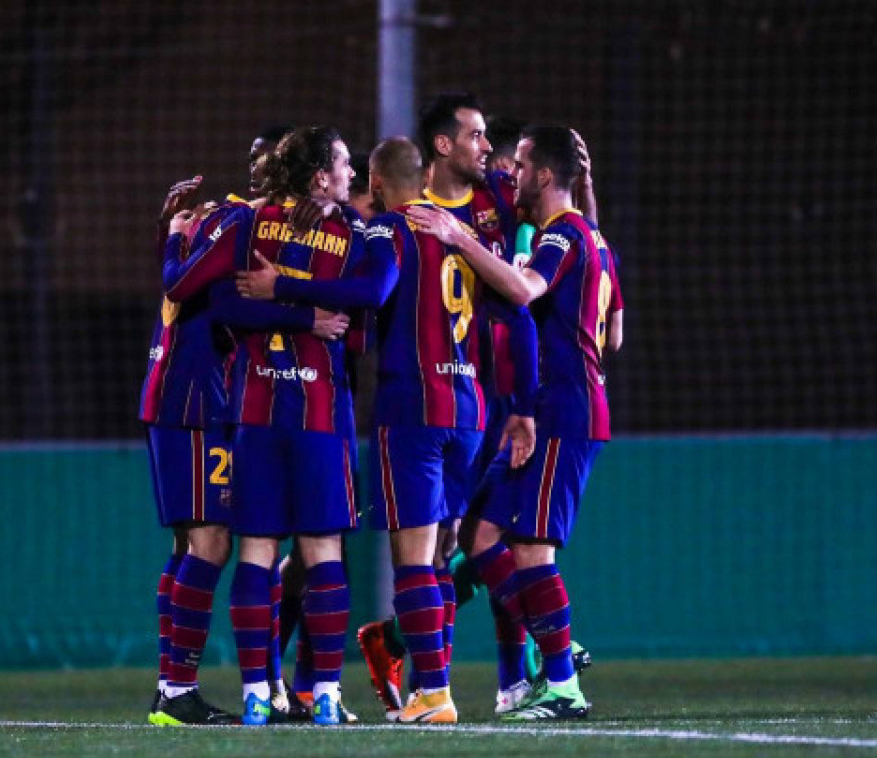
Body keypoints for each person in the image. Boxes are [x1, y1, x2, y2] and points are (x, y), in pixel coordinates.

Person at [238, 135, 538, 724]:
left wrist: (285, 287)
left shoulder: (388, 230)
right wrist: (524, 402)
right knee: (443, 554)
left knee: (412, 559)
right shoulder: (462, 233)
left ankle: (434, 692)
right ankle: (425, 686)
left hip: (413, 408)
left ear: (375, 183)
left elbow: (373, 291)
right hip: (469, 409)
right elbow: (519, 313)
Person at [408, 126, 624, 721]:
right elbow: (614, 336)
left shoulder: (562, 234)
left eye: (523, 166)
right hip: (552, 408)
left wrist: (457, 237)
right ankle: (557, 647)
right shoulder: (591, 236)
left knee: (532, 548)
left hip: (565, 411)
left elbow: (526, 289)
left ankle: (563, 686)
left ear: (546, 176)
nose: (513, 174)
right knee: (480, 534)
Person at [143, 127, 339, 725]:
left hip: (201, 396)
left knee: (209, 542)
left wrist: (169, 233)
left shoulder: (246, 220)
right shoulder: (236, 220)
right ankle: (177, 689)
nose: (260, 170)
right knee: (212, 543)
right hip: (192, 396)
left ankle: (186, 687)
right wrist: (170, 238)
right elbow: (182, 285)